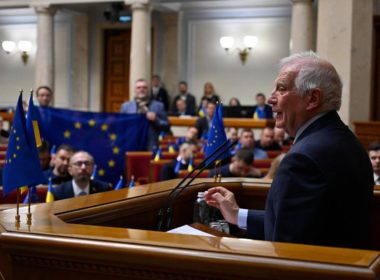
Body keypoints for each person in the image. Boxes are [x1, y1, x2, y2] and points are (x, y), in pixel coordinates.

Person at [204, 51, 374, 249]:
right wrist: (236, 214)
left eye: (281, 89)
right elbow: (302, 222)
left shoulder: (303, 159)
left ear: (312, 98)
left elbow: (287, 250)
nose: (270, 99)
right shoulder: (345, 140)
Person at [120, 79, 169, 150]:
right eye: (138, 88)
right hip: (131, 143)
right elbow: (121, 126)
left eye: (144, 87)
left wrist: (156, 120)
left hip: (151, 144)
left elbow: (167, 125)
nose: (141, 90)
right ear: (134, 90)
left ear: (148, 90)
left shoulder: (159, 106)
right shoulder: (126, 107)